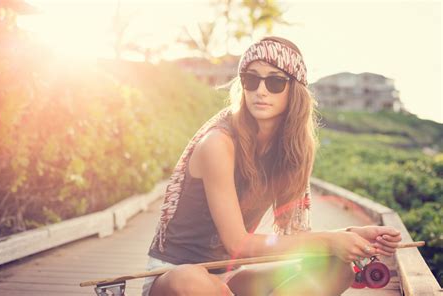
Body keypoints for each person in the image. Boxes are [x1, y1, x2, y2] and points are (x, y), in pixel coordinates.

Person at [142, 36, 402, 296]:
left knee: (337, 268)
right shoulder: (218, 144)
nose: (261, 90)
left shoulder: (291, 151)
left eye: (276, 81)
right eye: (251, 79)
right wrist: (331, 241)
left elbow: (300, 239)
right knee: (189, 278)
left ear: (294, 89)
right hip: (176, 278)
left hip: (226, 278)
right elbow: (238, 244)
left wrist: (348, 235)